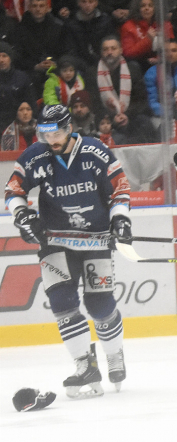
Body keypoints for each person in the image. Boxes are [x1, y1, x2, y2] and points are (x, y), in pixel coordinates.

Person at [5, 104, 132, 398]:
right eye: (45, 133)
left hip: (95, 239)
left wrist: (120, 218)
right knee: (62, 301)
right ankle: (84, 365)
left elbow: (119, 187)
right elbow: (13, 191)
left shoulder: (95, 151)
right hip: (55, 240)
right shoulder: (35, 156)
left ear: (70, 127)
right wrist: (23, 216)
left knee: (100, 305)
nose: (52, 139)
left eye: (58, 132)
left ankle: (114, 354)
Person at [96, 35, 150, 144]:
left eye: (113, 48)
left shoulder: (133, 68)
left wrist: (127, 115)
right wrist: (112, 117)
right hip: (107, 119)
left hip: (131, 116)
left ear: (121, 50)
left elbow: (141, 99)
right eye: (106, 49)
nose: (109, 52)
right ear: (101, 52)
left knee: (144, 122)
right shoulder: (93, 72)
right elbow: (95, 103)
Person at [65, 0, 117, 71]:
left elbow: (112, 44)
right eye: (84, 1)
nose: (87, 5)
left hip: (104, 63)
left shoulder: (106, 21)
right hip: (80, 66)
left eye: (90, 1)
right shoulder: (71, 24)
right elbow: (71, 51)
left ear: (96, 3)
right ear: (78, 3)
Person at [1, 41, 34, 128]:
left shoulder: (22, 77)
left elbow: (31, 103)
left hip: (19, 125)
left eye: (4, 56)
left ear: (10, 58)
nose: (1, 60)